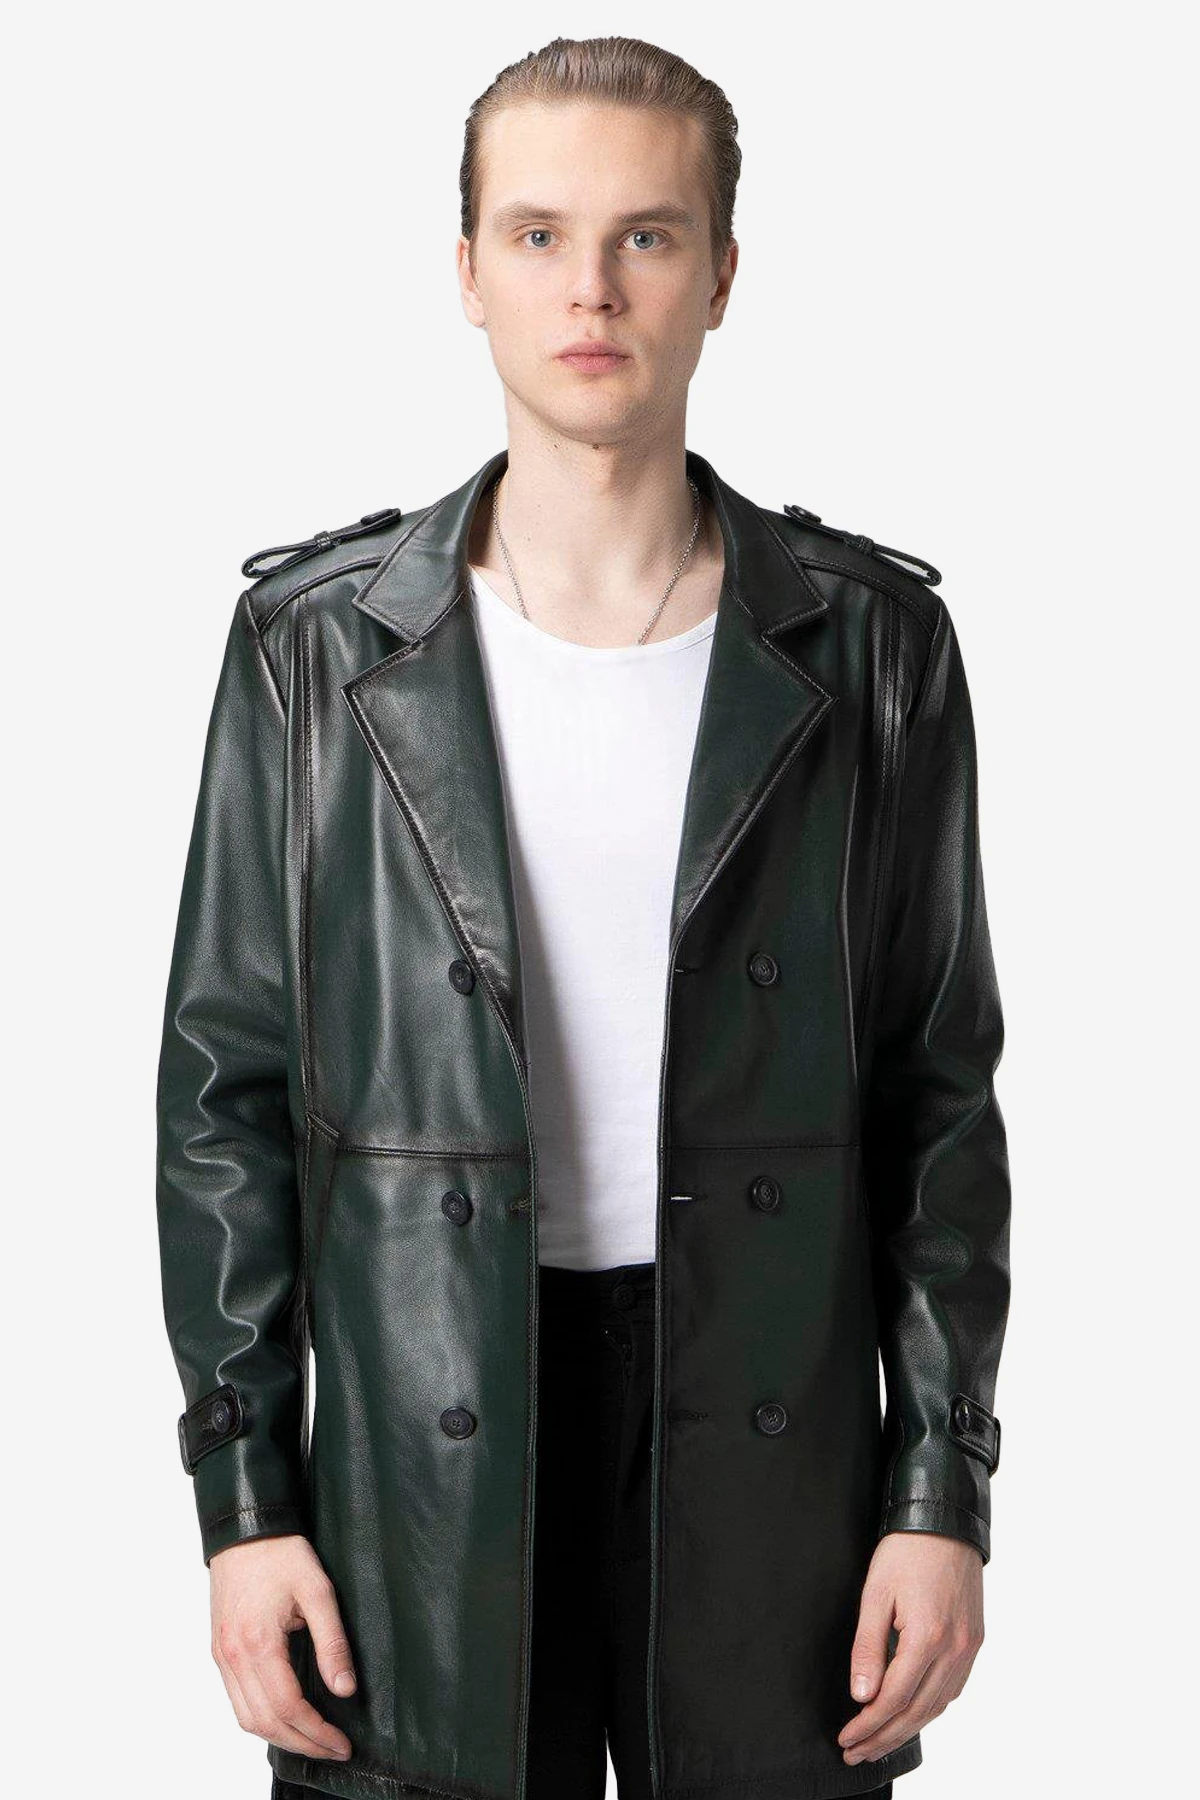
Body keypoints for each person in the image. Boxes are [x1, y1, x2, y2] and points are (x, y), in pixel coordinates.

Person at [157, 34, 1010, 1800]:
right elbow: (224, 1095)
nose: (591, 289)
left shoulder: (875, 650)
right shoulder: (314, 647)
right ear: (467, 271)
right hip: (414, 1428)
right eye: (538, 235)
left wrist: (941, 1492)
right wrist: (245, 1504)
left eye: (647, 236)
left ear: (723, 274)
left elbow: (939, 1099)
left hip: (768, 1425)